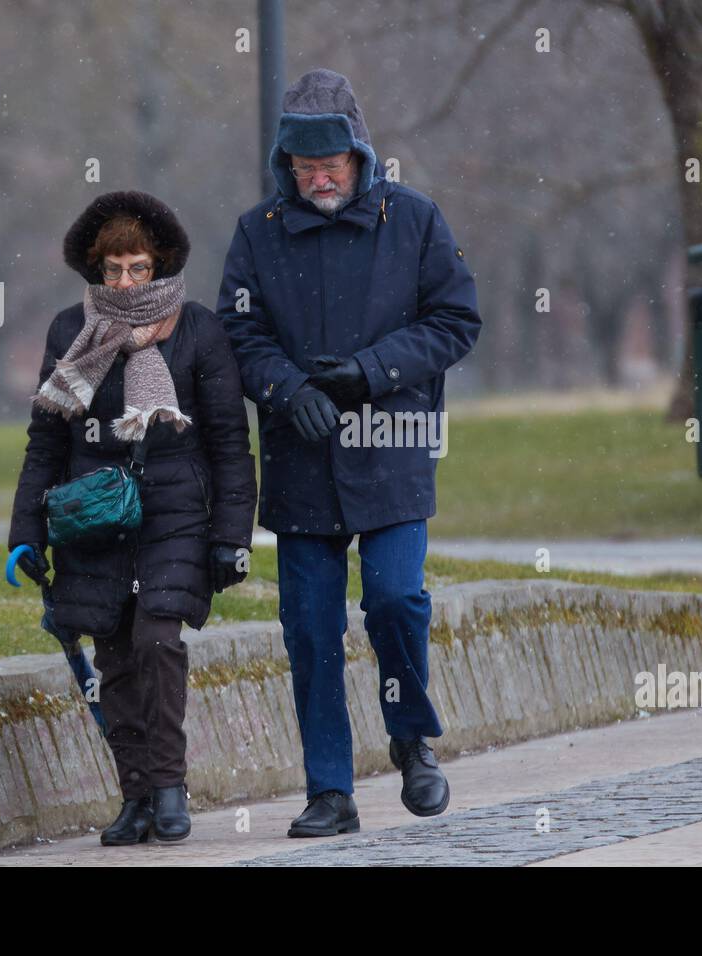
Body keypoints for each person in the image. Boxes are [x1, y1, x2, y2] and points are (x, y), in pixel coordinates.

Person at [217, 68, 482, 837]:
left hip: (391, 446)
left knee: (397, 600)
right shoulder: (257, 231)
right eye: (304, 169)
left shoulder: (417, 221)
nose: (319, 180)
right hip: (302, 456)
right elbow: (240, 330)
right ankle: (329, 789)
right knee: (309, 625)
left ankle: (412, 741)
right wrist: (283, 388)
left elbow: (455, 321)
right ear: (286, 167)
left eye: (331, 167)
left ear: (361, 157)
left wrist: (372, 371)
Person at [8, 191, 257, 846]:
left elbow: (231, 443)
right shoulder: (70, 331)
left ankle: (170, 785)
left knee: (156, 642)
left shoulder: (198, 330)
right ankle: (137, 795)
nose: (123, 282)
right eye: (113, 269)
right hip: (93, 517)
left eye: (137, 268)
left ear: (160, 266)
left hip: (176, 513)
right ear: (97, 268)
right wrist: (25, 534)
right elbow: (47, 442)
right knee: (111, 656)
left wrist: (233, 536)